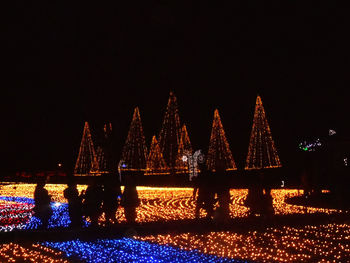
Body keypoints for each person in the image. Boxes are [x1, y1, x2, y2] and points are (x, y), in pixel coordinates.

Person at [195, 154, 215, 219]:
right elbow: (197, 184)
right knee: (206, 204)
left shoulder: (203, 175)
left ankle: (200, 216)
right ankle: (206, 216)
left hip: (204, 192)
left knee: (203, 204)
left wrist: (194, 192)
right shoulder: (206, 174)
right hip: (205, 192)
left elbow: (197, 184)